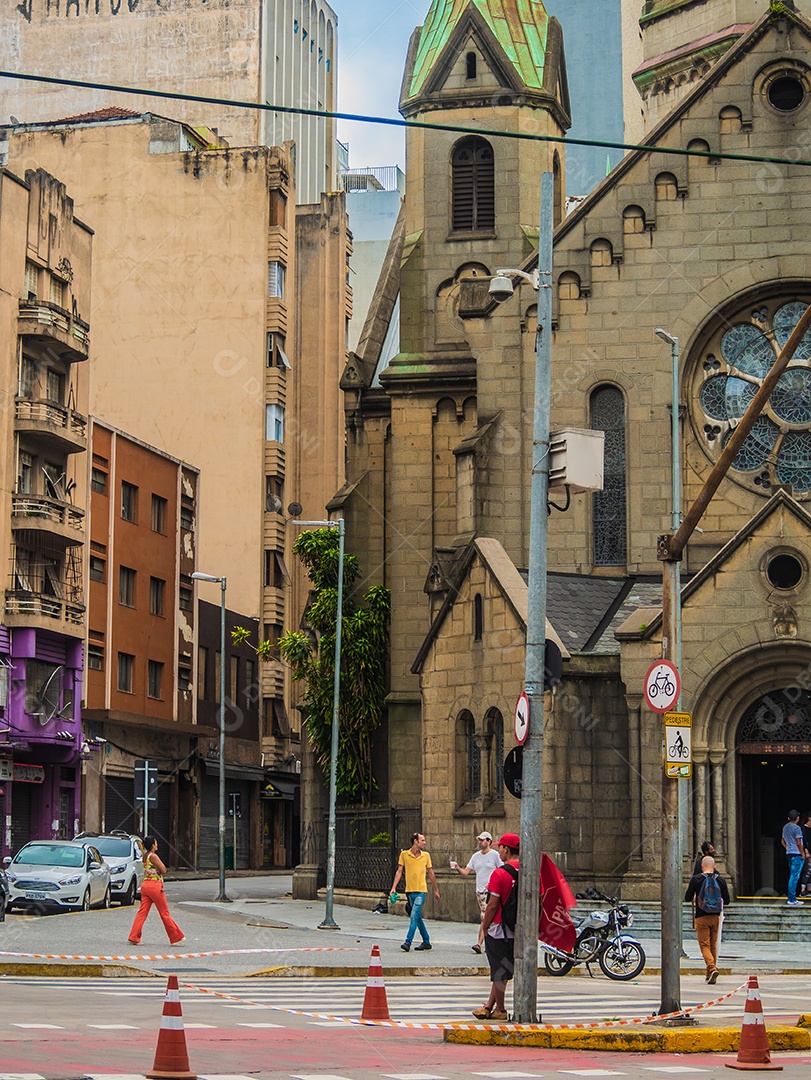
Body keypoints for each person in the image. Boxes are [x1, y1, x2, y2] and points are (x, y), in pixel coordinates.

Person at [473, 832, 520, 1022]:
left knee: (498, 971)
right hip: (518, 928)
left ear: (506, 850)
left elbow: (492, 905)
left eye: (500, 847)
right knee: (504, 969)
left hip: (499, 928)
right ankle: (489, 1006)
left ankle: (500, 1009)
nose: (498, 850)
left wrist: (485, 927)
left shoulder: (499, 873)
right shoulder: (531, 871)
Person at [450, 831, 502, 953]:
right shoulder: (475, 856)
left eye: (482, 840)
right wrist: (457, 867)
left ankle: (480, 943)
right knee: (487, 917)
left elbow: (501, 870)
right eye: (479, 840)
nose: (480, 842)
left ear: (489, 841)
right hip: (480, 891)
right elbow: (466, 872)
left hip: (491, 891)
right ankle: (488, 942)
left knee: (485, 916)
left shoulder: (495, 855)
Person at [128, 836, 185, 946]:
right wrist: (159, 869)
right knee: (164, 913)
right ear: (152, 845)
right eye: (156, 843)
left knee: (142, 912)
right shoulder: (153, 856)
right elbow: (163, 869)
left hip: (146, 885)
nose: (157, 845)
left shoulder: (145, 856)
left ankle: (134, 936)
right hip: (155, 886)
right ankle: (175, 936)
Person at [389, 832, 440, 952]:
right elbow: (399, 871)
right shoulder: (404, 854)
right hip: (410, 891)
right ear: (415, 841)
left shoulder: (426, 856)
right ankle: (426, 941)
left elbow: (431, 873)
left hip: (421, 891)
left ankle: (408, 942)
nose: (424, 843)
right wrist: (393, 887)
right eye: (422, 840)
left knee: (413, 915)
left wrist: (436, 889)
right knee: (417, 917)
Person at [684, 854, 729, 984]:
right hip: (715, 916)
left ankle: (712, 967)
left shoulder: (696, 879)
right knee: (713, 945)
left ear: (702, 866)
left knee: (704, 945)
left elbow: (687, 898)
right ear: (714, 866)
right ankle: (709, 974)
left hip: (701, 916)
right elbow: (727, 900)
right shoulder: (721, 880)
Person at [781, 809, 805, 906]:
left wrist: (788, 848)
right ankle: (792, 899)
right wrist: (802, 853)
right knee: (794, 877)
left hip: (789, 853)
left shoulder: (785, 827)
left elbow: (782, 841)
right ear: (798, 818)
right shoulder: (797, 828)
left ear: (788, 818)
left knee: (792, 875)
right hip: (796, 854)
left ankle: (791, 897)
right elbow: (799, 842)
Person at [799, 811, 811, 896]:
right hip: (807, 853)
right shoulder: (804, 829)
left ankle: (809, 889)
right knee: (808, 870)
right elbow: (804, 841)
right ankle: (803, 890)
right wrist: (806, 851)